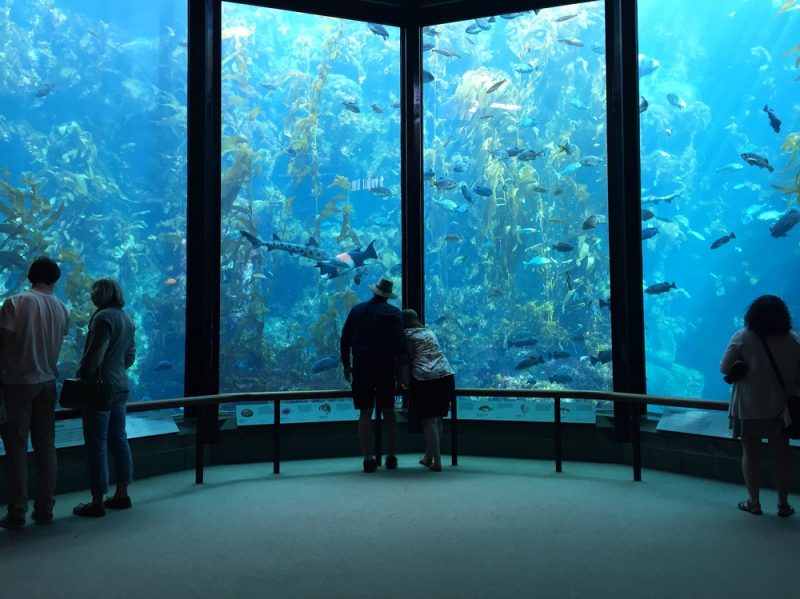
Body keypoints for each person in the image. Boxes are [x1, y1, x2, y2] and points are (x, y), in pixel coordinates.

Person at [0, 257, 70, 529]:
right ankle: (45, 508)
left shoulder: (15, 303)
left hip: (17, 383)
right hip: (48, 382)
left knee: (16, 448)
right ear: (55, 279)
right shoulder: (62, 309)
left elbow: (2, 345)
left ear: (30, 276)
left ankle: (17, 511)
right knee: (46, 446)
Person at [720, 295, 800, 518]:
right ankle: (783, 504)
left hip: (749, 406)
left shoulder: (743, 337)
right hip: (781, 410)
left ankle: (754, 502)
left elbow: (724, 367)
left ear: (752, 314)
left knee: (751, 452)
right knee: (782, 456)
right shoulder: (793, 340)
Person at [72, 278, 136, 518]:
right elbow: (130, 356)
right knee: (119, 439)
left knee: (96, 444)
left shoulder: (102, 318)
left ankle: (97, 500)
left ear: (102, 294)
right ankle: (121, 493)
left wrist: (84, 374)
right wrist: (116, 369)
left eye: (94, 291)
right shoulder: (127, 318)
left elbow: (95, 355)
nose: (91, 295)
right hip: (120, 386)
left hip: (100, 389)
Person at [340, 277, 405, 473]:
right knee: (388, 411)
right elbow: (399, 347)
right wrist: (399, 377)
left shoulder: (357, 310)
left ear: (374, 291)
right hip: (385, 367)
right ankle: (391, 456)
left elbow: (345, 339)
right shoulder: (394, 313)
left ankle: (368, 459)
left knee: (365, 412)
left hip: (361, 366)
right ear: (387, 295)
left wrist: (346, 365)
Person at [401, 309, 455, 473]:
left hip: (425, 378)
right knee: (438, 419)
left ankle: (437, 461)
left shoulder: (405, 335)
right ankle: (429, 457)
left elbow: (404, 363)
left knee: (429, 421)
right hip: (446, 375)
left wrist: (406, 384)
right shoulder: (429, 332)